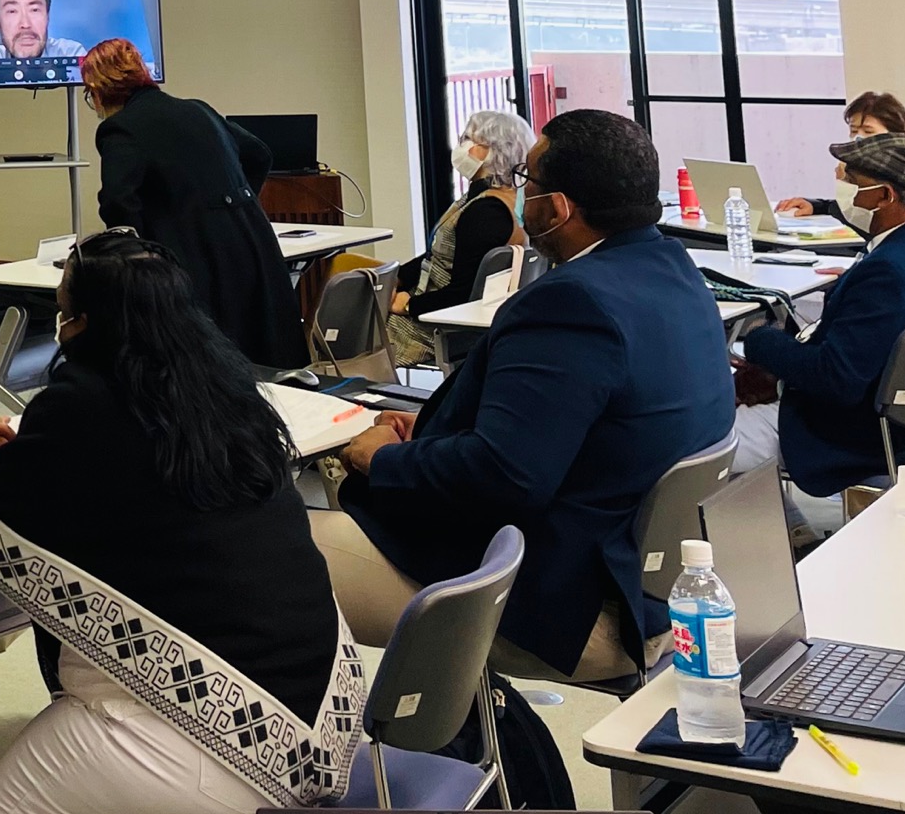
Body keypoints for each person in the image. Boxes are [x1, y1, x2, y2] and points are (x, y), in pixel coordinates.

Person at [312, 110, 734, 682]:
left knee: (274, 554)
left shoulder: (570, 303)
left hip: (558, 603)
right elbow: (563, 428)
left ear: (557, 209)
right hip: (640, 582)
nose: (518, 195)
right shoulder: (674, 269)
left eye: (527, 183)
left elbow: (504, 476)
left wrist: (381, 457)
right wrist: (436, 435)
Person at [0, 235, 362, 814]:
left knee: (9, 810)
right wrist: (44, 452)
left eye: (64, 313)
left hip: (230, 748)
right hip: (328, 710)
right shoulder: (227, 392)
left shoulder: (79, 401)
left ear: (80, 324)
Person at [738, 132, 905, 496]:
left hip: (848, 434)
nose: (843, 188)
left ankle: (774, 533)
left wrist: (759, 340)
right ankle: (794, 528)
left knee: (695, 440)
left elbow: (836, 380)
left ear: (885, 196)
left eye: (852, 181)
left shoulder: (889, 271)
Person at [82, 39, 304, 369]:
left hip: (196, 256)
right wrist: (236, 208)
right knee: (265, 358)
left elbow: (118, 203)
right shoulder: (198, 109)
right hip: (253, 243)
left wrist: (144, 251)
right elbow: (259, 154)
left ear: (98, 88)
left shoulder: (120, 128)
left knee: (210, 366)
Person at [387, 110, 530, 369]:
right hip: (444, 313)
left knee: (348, 324)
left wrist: (410, 305)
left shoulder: (486, 211)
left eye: (468, 138)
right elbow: (442, 255)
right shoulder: (508, 198)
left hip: (433, 325)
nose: (461, 146)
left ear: (493, 150)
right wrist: (397, 276)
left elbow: (465, 292)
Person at [775, 91, 905, 222]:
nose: (858, 138)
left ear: (896, 134)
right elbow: (856, 207)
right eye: (853, 130)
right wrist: (815, 206)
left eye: (868, 131)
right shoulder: (856, 173)